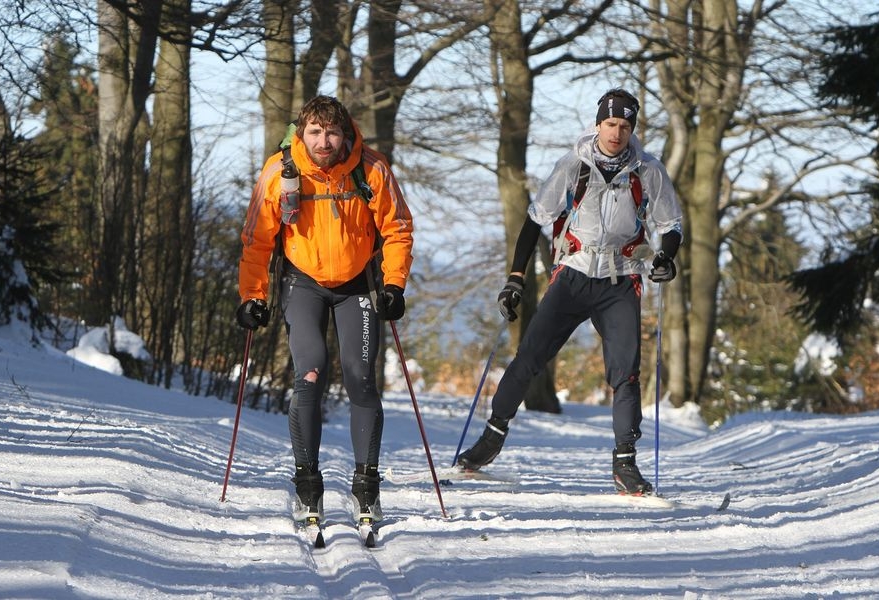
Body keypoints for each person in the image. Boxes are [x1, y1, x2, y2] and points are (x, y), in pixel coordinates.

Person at [457, 88, 683, 495]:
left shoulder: (648, 170)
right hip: (574, 275)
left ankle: (625, 463)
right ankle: (490, 439)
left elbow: (671, 226)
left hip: (619, 279)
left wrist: (665, 258)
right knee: (529, 357)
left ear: (633, 130)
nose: (617, 133)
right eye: (611, 124)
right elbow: (533, 222)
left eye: (625, 126)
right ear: (599, 123)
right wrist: (515, 278)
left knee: (625, 373)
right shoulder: (573, 165)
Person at [236, 95, 414, 526]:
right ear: (301, 132)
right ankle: (307, 486)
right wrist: (252, 297)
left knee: (360, 377)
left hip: (357, 286)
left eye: (331, 132)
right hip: (304, 283)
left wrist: (393, 285)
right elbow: (257, 240)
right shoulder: (281, 171)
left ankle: (367, 489)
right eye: (314, 132)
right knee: (310, 373)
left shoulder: (370, 168)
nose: (323, 141)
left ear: (344, 132)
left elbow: (397, 229)